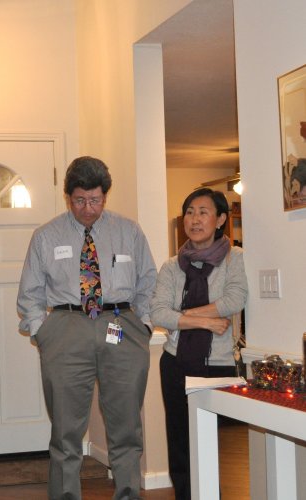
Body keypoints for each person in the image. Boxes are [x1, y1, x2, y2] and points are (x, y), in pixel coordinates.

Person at [17, 156, 157, 500]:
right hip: (65, 327)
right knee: (66, 430)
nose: (88, 208)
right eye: (79, 200)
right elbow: (30, 293)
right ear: (68, 197)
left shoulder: (129, 231)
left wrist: (144, 325)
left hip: (121, 325)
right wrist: (43, 333)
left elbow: (148, 282)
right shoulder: (46, 235)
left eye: (95, 200)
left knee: (126, 425)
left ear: (105, 196)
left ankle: (128, 494)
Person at [150, 188, 247, 500]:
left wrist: (185, 314)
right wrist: (206, 321)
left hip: (218, 363)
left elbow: (234, 299)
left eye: (203, 212)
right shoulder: (171, 266)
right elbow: (158, 313)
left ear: (220, 219)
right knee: (180, 441)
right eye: (189, 212)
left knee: (217, 442)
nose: (194, 219)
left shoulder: (235, 258)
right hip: (176, 362)